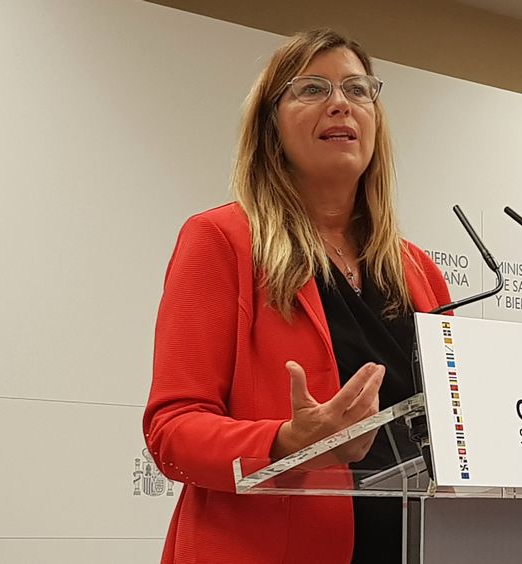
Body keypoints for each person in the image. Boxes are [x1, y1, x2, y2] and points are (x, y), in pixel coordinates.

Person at [143, 29, 451, 564]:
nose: (340, 103)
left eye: (358, 89)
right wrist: (288, 441)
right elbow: (172, 432)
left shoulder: (419, 271)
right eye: (312, 88)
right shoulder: (222, 241)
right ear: (271, 126)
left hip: (417, 546)